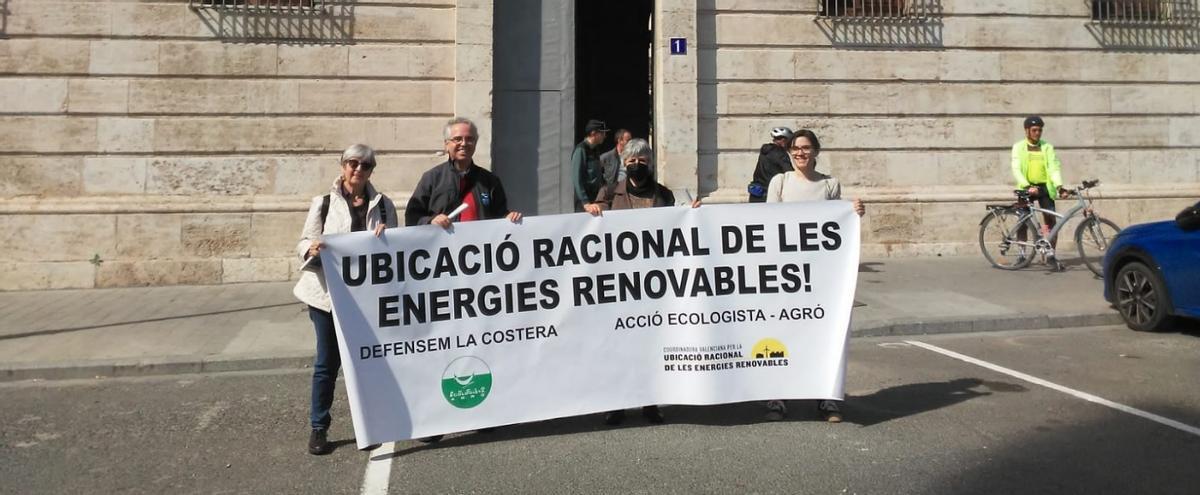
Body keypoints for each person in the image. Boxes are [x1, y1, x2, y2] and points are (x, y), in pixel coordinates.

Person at [585, 137, 700, 425]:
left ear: (650, 163)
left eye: (642, 161)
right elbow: (590, 224)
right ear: (624, 164)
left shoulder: (663, 194)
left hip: (655, 282)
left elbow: (679, 223)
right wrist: (593, 211)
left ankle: (650, 402)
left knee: (651, 344)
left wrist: (693, 214)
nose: (637, 165)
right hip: (619, 281)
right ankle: (617, 403)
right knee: (619, 344)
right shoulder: (610, 193)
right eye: (632, 161)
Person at [294, 144, 398, 455]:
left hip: (365, 300)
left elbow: (396, 250)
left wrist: (386, 237)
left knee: (365, 362)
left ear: (371, 171)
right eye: (353, 163)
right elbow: (302, 240)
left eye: (365, 165)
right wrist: (309, 248)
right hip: (326, 296)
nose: (358, 169)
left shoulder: (383, 205)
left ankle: (370, 425)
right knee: (328, 363)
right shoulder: (323, 203)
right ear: (342, 166)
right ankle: (319, 427)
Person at [764, 129, 864, 423]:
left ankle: (827, 399)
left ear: (816, 151)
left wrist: (854, 211)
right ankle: (776, 397)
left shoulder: (830, 184)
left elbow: (838, 226)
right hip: (785, 275)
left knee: (823, 336)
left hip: (820, 276)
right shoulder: (779, 183)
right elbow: (767, 224)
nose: (800, 153)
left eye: (806, 148)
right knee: (780, 335)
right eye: (795, 148)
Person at [406, 117, 523, 228]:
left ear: (475, 143)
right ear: (446, 144)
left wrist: (509, 218)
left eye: (469, 139)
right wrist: (431, 221)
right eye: (457, 139)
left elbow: (500, 216)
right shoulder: (432, 178)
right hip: (444, 247)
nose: (464, 143)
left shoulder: (490, 181)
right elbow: (412, 218)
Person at [1011, 115, 1066, 270]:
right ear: (1027, 131)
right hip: (1026, 188)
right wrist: (1026, 185)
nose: (1037, 133)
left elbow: (1054, 167)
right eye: (1034, 130)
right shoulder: (1018, 147)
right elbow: (1016, 168)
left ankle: (1050, 255)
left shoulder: (1047, 147)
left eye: (1040, 130)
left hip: (1044, 188)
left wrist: (1059, 186)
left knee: (1051, 221)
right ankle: (1021, 254)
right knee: (1022, 222)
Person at [571, 119, 610, 211]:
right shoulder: (581, 150)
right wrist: (586, 202)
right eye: (602, 133)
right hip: (586, 201)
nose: (605, 136)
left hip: (596, 197)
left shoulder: (595, 149)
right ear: (593, 133)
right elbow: (577, 179)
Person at [748, 127, 794, 203]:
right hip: (769, 195)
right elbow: (790, 174)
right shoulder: (781, 154)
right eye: (789, 142)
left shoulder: (765, 151)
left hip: (755, 194)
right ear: (783, 141)